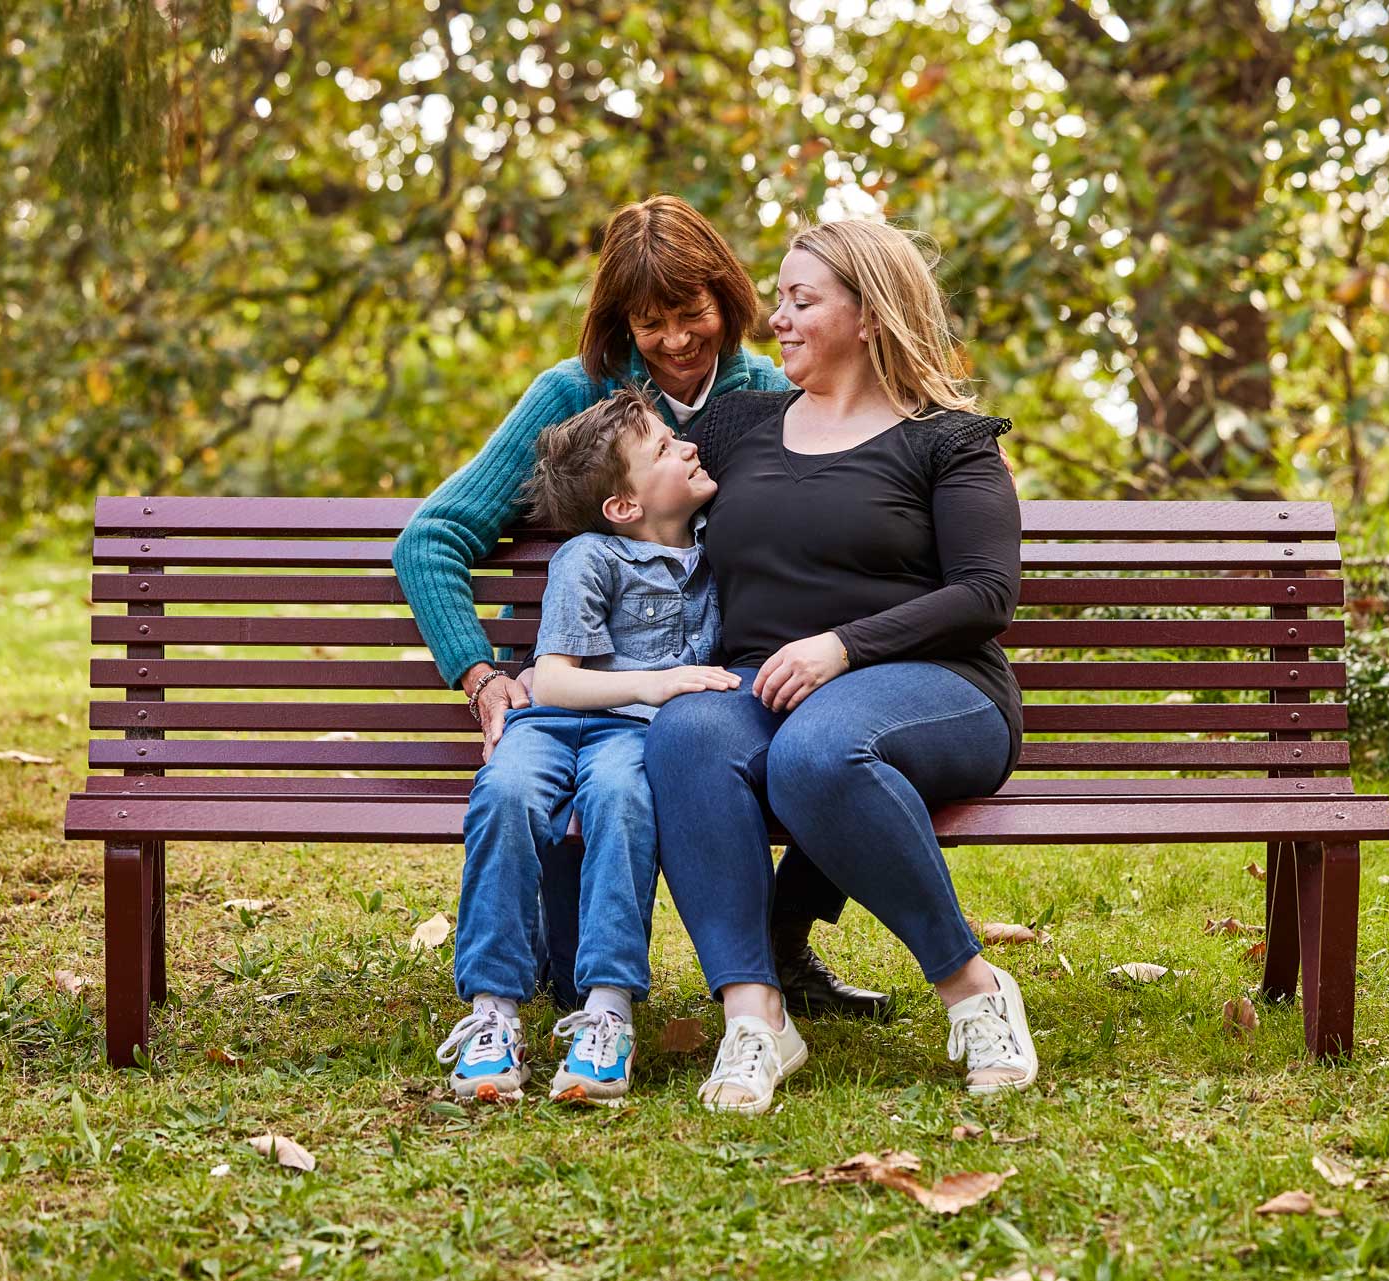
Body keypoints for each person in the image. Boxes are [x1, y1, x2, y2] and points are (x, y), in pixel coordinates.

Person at [393, 195, 889, 1018]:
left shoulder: (772, 391)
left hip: (738, 673)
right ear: (619, 321)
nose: (675, 340)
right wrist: (482, 676)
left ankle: (783, 938)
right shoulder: (575, 399)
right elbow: (432, 537)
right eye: (649, 322)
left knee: (836, 728)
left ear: (727, 300)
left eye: (691, 312)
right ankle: (551, 978)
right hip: (597, 701)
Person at [649, 219, 1037, 1115]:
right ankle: (756, 1015)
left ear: (867, 314)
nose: (775, 318)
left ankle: (974, 989)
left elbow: (986, 594)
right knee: (687, 731)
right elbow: (620, 456)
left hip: (936, 689)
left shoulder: (948, 440)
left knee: (817, 751)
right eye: (777, 298)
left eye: (801, 299)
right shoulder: (739, 426)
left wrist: (843, 647)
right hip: (761, 685)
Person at [432, 390, 739, 1102]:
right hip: (551, 725)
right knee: (504, 796)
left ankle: (607, 1012)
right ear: (624, 507)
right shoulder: (590, 556)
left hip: (628, 740)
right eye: (665, 448)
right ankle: (492, 1014)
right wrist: (660, 683)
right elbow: (558, 684)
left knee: (626, 801)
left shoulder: (716, 555)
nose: (689, 447)